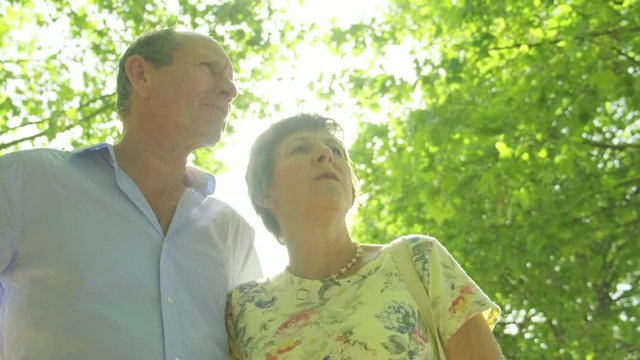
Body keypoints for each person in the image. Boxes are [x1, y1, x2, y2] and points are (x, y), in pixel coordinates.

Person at [0, 28, 262, 359]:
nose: (230, 90)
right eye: (209, 67)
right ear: (142, 75)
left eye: (230, 78)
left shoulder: (232, 232)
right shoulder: (26, 181)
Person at [226, 113, 503, 359]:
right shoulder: (244, 309)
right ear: (264, 194)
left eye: (335, 150)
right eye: (299, 148)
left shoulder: (418, 259)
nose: (326, 154)